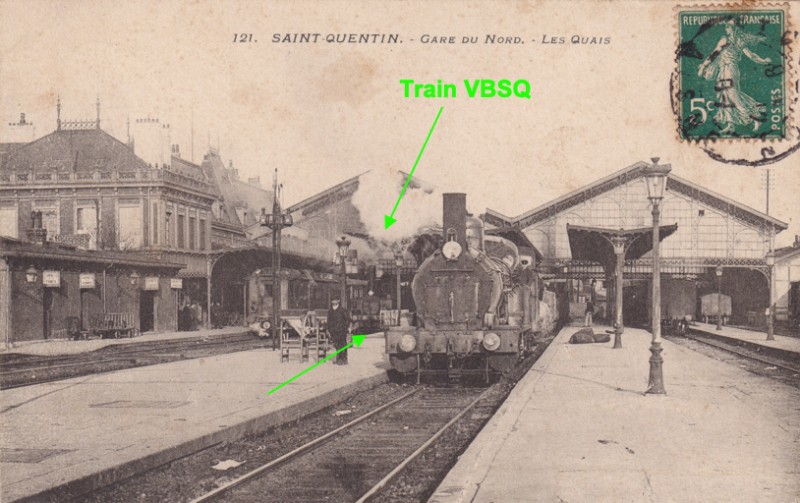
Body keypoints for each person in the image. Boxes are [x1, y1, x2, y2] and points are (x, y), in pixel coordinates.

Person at [697, 20, 772, 134]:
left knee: (732, 94)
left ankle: (754, 117)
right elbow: (751, 55)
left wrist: (703, 67)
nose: (726, 29)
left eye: (728, 27)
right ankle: (731, 124)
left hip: (729, 70)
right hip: (727, 69)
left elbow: (713, 55)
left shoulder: (726, 40)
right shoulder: (739, 41)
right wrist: (763, 61)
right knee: (725, 95)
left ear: (733, 28)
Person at [327, 298, 351, 365]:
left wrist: (345, 327)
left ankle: (344, 359)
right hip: (333, 331)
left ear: (338, 301)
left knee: (343, 344)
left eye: (335, 300)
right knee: (337, 345)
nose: (334, 301)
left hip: (341, 331)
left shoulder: (343, 310)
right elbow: (328, 321)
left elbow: (347, 319)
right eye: (333, 300)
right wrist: (329, 329)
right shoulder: (330, 311)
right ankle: (338, 359)